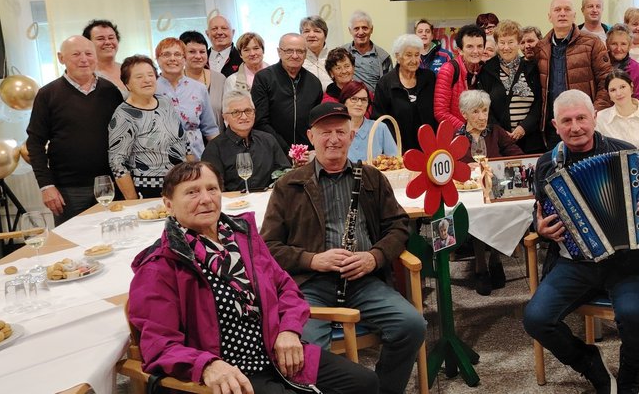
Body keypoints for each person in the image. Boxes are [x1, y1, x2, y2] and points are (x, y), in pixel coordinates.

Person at [128, 161, 378, 394]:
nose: (206, 199)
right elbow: (160, 344)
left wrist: (288, 331)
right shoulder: (160, 265)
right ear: (168, 204)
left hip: (274, 352)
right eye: (192, 192)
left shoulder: (241, 237)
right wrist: (207, 365)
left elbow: (285, 288)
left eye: (212, 188)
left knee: (365, 383)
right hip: (230, 375)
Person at [261, 102, 426, 394]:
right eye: (325, 132)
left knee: (412, 325)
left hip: (363, 281)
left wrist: (374, 258)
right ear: (310, 137)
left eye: (341, 131)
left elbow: (399, 226)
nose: (334, 139)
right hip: (310, 286)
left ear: (351, 136)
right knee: (304, 350)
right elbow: (268, 247)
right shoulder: (289, 185)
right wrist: (313, 260)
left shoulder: (372, 177)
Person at [523, 90, 639, 394]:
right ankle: (589, 363)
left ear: (594, 118)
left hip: (624, 261)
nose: (575, 127)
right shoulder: (546, 165)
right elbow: (538, 212)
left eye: (581, 118)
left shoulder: (626, 153)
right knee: (536, 319)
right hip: (573, 262)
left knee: (635, 316)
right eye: (567, 121)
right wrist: (540, 228)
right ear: (555, 124)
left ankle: (629, 374)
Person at [26, 36, 123, 225]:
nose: (84, 59)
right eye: (76, 54)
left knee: (115, 240)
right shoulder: (48, 94)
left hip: (109, 185)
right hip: (68, 189)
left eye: (88, 53)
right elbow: (34, 143)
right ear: (61, 58)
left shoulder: (110, 91)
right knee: (72, 245)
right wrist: (46, 185)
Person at [454, 90, 522, 295]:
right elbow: (451, 167)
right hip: (468, 192)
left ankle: (494, 259)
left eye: (485, 111)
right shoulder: (455, 138)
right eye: (476, 111)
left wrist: (502, 170)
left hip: (495, 189)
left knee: (496, 209)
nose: (482, 117)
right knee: (478, 213)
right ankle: (482, 266)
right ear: (464, 114)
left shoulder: (496, 132)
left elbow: (516, 157)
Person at [537, 0, 613, 147]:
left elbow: (606, 82)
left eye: (567, 9)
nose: (562, 13)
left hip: (584, 126)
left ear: (575, 15)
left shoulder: (592, 43)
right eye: (557, 10)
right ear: (549, 16)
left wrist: (592, 115)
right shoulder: (541, 48)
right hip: (554, 127)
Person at [109, 55, 188, 199]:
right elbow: (117, 163)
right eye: (139, 77)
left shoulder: (165, 102)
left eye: (150, 75)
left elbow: (185, 142)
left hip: (182, 183)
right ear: (127, 84)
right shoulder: (123, 115)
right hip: (148, 190)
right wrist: (133, 203)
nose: (147, 80)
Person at [202, 90, 290, 192]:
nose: (244, 117)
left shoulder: (268, 140)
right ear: (225, 117)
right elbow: (213, 187)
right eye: (236, 112)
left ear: (254, 113)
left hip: (266, 201)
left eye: (248, 111)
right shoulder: (215, 148)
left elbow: (284, 172)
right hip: (232, 204)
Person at [477, 20, 545, 153]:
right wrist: (501, 132)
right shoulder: (487, 70)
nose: (506, 47)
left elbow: (539, 103)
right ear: (496, 44)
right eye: (502, 42)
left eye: (511, 42)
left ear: (519, 43)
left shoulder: (531, 68)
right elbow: (484, 107)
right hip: (499, 143)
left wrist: (523, 127)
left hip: (531, 140)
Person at [251, 33, 324, 151]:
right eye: (289, 51)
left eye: (300, 51)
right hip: (273, 150)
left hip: (306, 152)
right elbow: (260, 121)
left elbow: (316, 123)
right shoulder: (264, 78)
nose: (295, 56)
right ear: (279, 52)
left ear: (306, 54)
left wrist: (304, 151)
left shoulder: (314, 83)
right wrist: (287, 150)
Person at [155, 37, 220, 159]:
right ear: (157, 59)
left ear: (184, 59)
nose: (172, 58)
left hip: (197, 156)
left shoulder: (199, 88)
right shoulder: (151, 89)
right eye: (166, 54)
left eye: (178, 54)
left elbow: (210, 129)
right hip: (161, 158)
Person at [374, 34, 437, 152]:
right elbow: (381, 119)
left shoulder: (429, 78)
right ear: (398, 56)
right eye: (409, 55)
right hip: (398, 149)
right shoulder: (385, 83)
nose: (414, 60)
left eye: (417, 55)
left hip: (429, 148)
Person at [434, 24, 486, 130]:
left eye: (479, 46)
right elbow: (440, 112)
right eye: (470, 46)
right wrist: (466, 129)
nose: (476, 51)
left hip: (479, 134)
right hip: (456, 137)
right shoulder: (448, 69)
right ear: (460, 50)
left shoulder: (484, 69)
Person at [337, 80, 397, 163]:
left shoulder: (380, 127)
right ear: (344, 102)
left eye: (364, 100)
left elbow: (394, 161)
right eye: (354, 99)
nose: (359, 104)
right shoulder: (335, 129)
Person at [180, 30, 228, 131]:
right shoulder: (176, 81)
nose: (198, 56)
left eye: (202, 52)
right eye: (192, 52)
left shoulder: (220, 79)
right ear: (182, 54)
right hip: (187, 143)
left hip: (218, 140)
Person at [343, 10, 392, 91]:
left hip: (375, 102)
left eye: (365, 28)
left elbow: (388, 86)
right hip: (347, 101)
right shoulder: (342, 53)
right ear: (350, 30)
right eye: (356, 28)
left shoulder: (383, 57)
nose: (361, 32)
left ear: (371, 29)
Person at [605, 24, 639, 106]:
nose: (618, 49)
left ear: (630, 45)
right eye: (614, 44)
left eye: (623, 44)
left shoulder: (637, 69)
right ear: (607, 44)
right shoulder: (600, 65)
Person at [82, 19, 126, 95]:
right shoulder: (87, 76)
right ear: (88, 44)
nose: (108, 42)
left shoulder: (128, 69)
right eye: (100, 39)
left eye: (111, 38)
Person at [223, 32, 269, 97]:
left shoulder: (277, 74)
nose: (252, 53)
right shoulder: (232, 81)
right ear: (240, 54)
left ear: (263, 50)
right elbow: (229, 106)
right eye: (246, 50)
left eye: (256, 48)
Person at [301, 16, 333, 89]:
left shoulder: (334, 57)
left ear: (325, 35)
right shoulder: (296, 58)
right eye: (306, 31)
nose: (311, 35)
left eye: (317, 31)